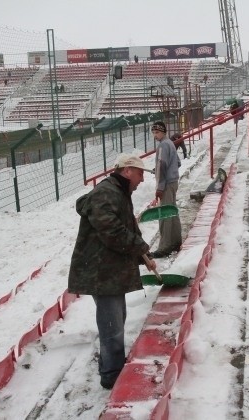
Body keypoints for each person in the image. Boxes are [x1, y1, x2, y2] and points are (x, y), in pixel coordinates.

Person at [67, 153, 157, 390]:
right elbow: (113, 232)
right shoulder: (107, 193)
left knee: (116, 322)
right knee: (112, 328)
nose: (142, 180)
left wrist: (140, 252)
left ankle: (111, 365)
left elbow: (126, 228)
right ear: (127, 170)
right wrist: (140, 247)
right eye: (140, 174)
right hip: (101, 272)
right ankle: (112, 375)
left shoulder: (119, 192)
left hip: (109, 271)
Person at [150, 121, 182, 258]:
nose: (155, 136)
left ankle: (164, 247)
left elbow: (162, 165)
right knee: (172, 211)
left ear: (163, 132)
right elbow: (178, 162)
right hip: (173, 182)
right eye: (153, 133)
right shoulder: (170, 143)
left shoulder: (163, 145)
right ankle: (175, 241)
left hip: (167, 185)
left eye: (157, 132)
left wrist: (160, 187)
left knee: (164, 214)